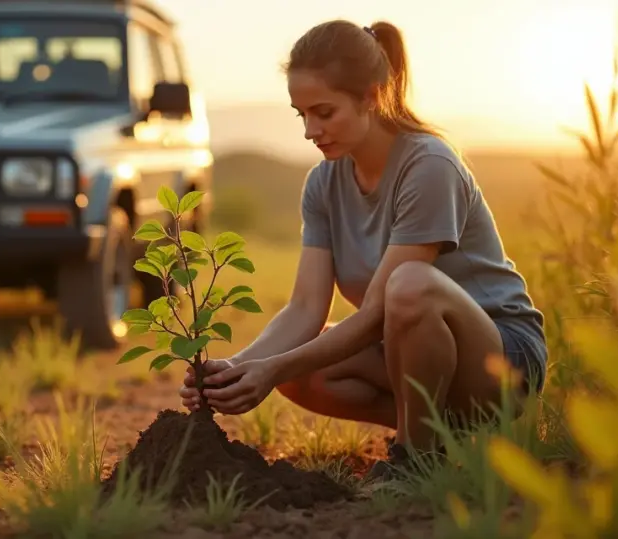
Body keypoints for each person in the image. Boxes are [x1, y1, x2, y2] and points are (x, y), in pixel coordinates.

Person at [178, 19, 547, 482]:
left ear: (372, 96)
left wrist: (269, 369)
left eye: (325, 112)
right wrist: (238, 368)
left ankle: (416, 459)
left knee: (408, 286)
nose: (311, 130)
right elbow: (305, 308)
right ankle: (437, 432)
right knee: (297, 369)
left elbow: (378, 310)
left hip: (501, 359)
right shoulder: (323, 183)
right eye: (302, 114)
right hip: (408, 351)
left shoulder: (429, 166)